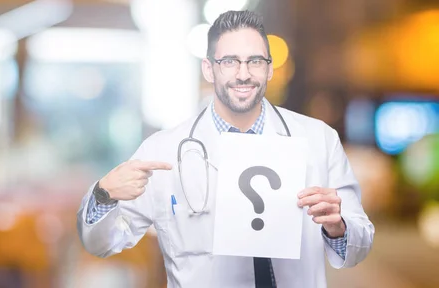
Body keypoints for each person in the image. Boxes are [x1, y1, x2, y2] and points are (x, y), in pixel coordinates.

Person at [76, 10, 374, 288]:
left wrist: (338, 226)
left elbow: (359, 244)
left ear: (269, 69)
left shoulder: (319, 139)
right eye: (229, 61)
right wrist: (104, 195)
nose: (243, 74)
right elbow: (100, 244)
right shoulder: (162, 150)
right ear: (209, 69)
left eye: (255, 61)